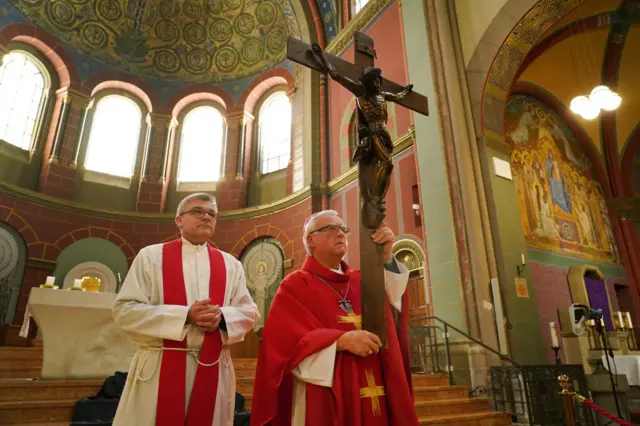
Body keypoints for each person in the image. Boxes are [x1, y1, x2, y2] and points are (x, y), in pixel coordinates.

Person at [251, 210, 419, 426]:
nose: (340, 234)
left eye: (343, 229)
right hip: (327, 391)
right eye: (331, 229)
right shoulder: (294, 285)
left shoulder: (363, 279)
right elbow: (284, 346)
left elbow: (394, 306)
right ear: (311, 240)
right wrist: (341, 341)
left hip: (376, 377)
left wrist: (386, 259)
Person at [112, 193, 259, 426]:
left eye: (212, 214)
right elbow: (125, 310)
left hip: (213, 367)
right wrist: (184, 316)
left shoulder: (231, 264)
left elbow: (249, 312)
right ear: (179, 220)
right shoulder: (151, 257)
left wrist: (222, 318)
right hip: (160, 368)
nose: (206, 217)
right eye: (198, 211)